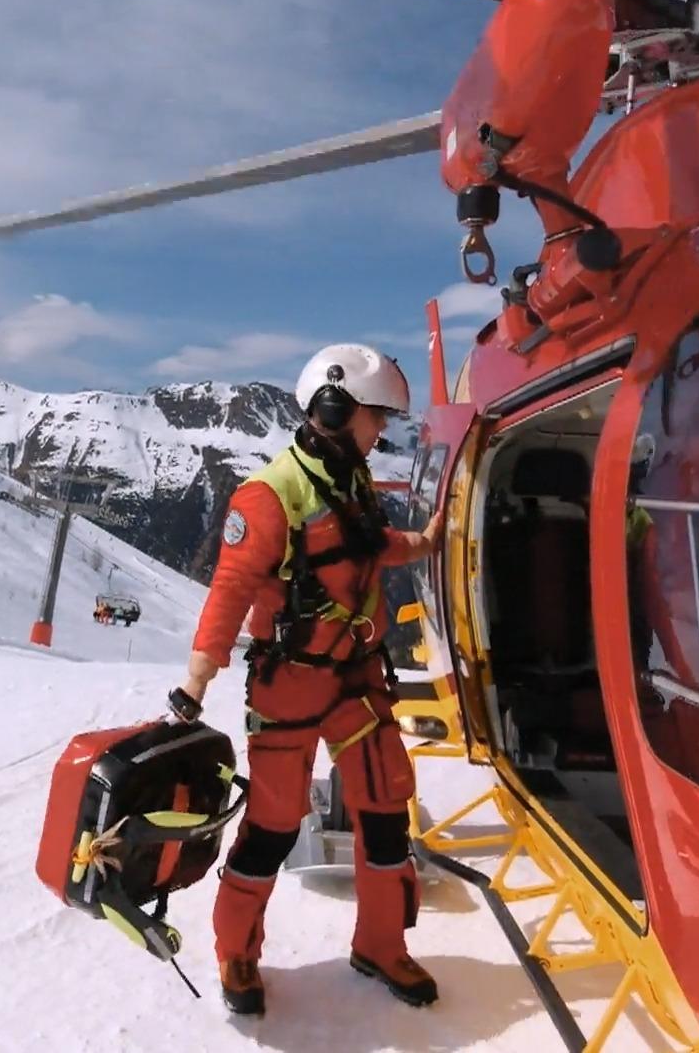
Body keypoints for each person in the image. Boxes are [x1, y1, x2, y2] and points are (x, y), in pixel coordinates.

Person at [175, 343, 446, 1016]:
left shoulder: (349, 481)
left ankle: (381, 943)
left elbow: (368, 546)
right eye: (373, 416)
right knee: (271, 825)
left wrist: (426, 543)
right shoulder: (270, 494)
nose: (381, 429)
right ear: (333, 407)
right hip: (290, 684)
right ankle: (237, 953)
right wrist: (196, 682)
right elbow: (230, 588)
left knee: (386, 809)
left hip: (357, 680)